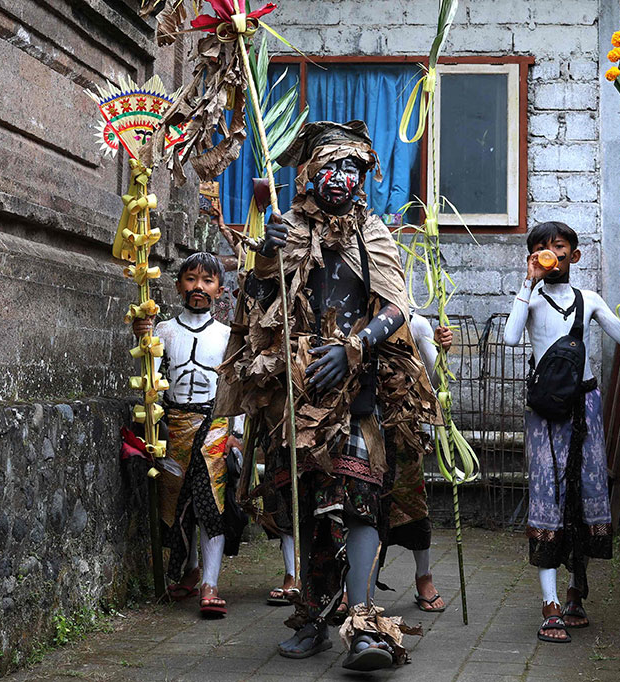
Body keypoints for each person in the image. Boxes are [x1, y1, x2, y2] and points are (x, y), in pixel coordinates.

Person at [215, 120, 435, 671]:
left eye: (352, 168)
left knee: (359, 502)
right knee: (306, 504)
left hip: (356, 391)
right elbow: (257, 307)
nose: (341, 177)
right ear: (310, 173)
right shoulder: (286, 227)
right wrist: (264, 262)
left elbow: (397, 307)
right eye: (331, 166)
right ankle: (314, 616)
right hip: (296, 390)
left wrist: (353, 348)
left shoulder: (373, 233)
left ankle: (362, 623)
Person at [503, 221, 620, 644]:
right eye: (541, 248)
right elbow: (511, 339)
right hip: (545, 412)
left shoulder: (590, 299)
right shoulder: (530, 299)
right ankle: (550, 605)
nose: (552, 254)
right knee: (548, 495)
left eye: (559, 246)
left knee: (586, 492)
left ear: (574, 255)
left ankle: (576, 590)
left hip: (586, 407)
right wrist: (526, 284)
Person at [131, 252, 244, 618]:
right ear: (179, 286)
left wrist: (237, 434)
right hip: (174, 425)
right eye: (191, 279)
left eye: (207, 281)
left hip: (215, 426)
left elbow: (235, 388)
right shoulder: (163, 332)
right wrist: (143, 340)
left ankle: (210, 583)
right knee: (177, 505)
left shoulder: (227, 336)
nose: (199, 287)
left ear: (220, 290)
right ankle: (190, 570)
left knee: (211, 504)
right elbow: (151, 382)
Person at [381, 315, 453, 613]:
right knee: (361, 508)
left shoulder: (416, 324)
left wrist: (441, 352)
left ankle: (424, 577)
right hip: (366, 428)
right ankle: (353, 584)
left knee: (414, 504)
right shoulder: (359, 317)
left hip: (405, 433)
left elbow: (433, 383)